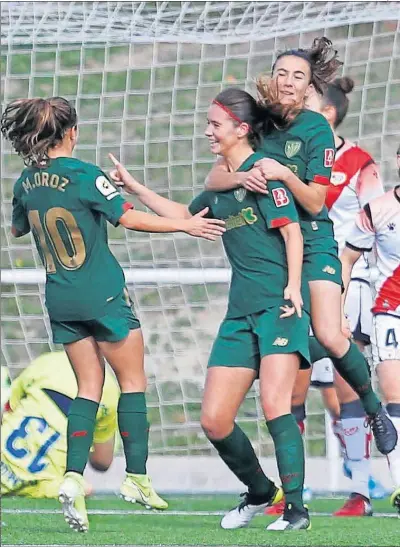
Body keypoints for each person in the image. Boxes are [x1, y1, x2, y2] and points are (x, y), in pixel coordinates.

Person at [1, 97, 225, 533]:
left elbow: (17, 229)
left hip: (61, 298)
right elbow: (130, 219)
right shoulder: (86, 175)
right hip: (101, 293)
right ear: (72, 133)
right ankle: (137, 477)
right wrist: (185, 224)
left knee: (89, 387)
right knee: (133, 382)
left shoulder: (26, 182)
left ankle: (71, 477)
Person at [109, 87, 313, 531]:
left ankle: (297, 510)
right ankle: (261, 491)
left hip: (280, 305)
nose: (207, 131)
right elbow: (184, 214)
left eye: (215, 124)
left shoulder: (265, 176)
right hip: (240, 313)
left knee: (275, 404)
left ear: (242, 129)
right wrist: (134, 187)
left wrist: (295, 288)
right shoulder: (222, 184)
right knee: (215, 420)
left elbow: (294, 235)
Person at [204, 38, 397, 465]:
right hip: (275, 252)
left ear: (310, 86)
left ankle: (373, 410)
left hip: (314, 245)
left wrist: (280, 175)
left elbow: (313, 202)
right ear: (272, 78)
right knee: (288, 379)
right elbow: (214, 179)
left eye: (298, 76)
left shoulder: (315, 130)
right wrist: (241, 179)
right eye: (282, 73)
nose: (288, 82)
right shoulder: (257, 122)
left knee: (330, 334)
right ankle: (289, 495)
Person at [267, 76, 388, 518]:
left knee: (344, 388)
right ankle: (291, 489)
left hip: (344, 281)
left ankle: (361, 490)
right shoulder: (288, 154)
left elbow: (381, 221)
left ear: (327, 113)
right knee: (292, 383)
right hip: (294, 279)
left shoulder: (358, 162)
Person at [341, 158, 400, 517]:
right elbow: (346, 259)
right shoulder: (377, 209)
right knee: (394, 399)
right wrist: (337, 308)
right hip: (390, 311)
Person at [1, 352, 118, 499]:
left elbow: (8, 409)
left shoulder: (48, 362)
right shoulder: (110, 392)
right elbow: (101, 462)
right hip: (39, 482)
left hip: (4, 458)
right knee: (83, 488)